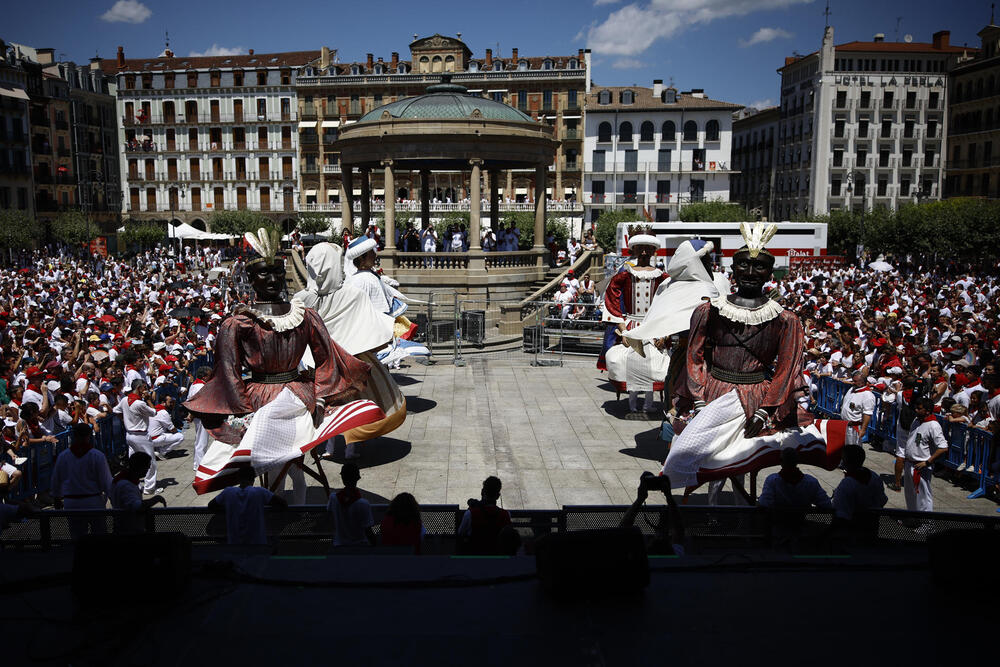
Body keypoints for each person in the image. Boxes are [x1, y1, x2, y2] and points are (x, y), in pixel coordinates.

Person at [185, 228, 383, 501]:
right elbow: (228, 373)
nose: (273, 279)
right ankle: (279, 509)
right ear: (251, 279)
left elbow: (328, 357)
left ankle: (285, 511)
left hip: (298, 398)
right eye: (264, 273)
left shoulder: (305, 316)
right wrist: (242, 415)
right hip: (260, 401)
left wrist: (323, 398)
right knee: (280, 464)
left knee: (290, 465)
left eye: (278, 272)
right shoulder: (238, 323)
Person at [662, 222, 845, 494]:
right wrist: (699, 399)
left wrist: (765, 409)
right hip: (713, 393)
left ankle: (739, 511)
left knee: (744, 463)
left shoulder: (786, 320)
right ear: (733, 269)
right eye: (744, 265)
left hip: (758, 397)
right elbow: (694, 357)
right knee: (691, 456)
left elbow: (787, 369)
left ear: (770, 272)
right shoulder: (708, 311)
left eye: (758, 266)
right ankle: (712, 511)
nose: (750, 272)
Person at [598, 226, 666, 372]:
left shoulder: (662, 278)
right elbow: (612, 303)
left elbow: (669, 307)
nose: (643, 252)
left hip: (653, 327)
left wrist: (665, 334)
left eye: (648, 248)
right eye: (640, 248)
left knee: (656, 365)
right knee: (623, 362)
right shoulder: (624, 275)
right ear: (634, 250)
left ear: (654, 250)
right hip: (630, 327)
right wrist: (623, 331)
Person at [49, 424, 113, 539]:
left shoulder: (64, 456)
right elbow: (106, 481)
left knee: (77, 537)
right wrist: (113, 498)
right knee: (99, 536)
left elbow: (56, 479)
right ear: (89, 436)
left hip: (72, 502)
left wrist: (56, 498)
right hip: (93, 501)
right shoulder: (97, 455)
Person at [208, 465, 287, 546]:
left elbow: (211, 506)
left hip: (234, 546)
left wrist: (229, 509)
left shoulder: (228, 492)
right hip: (258, 546)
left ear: (238, 479)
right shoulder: (261, 492)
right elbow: (283, 504)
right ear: (253, 479)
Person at [894, 397, 948, 512]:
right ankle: (913, 517)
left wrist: (928, 462)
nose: (916, 410)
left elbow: (943, 447)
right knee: (910, 494)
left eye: (919, 409)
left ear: (927, 411)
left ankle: (926, 523)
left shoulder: (933, 425)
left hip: (921, 466)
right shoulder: (916, 421)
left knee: (923, 496)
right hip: (909, 463)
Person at [619, 472, 686, 555]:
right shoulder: (676, 557)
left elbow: (623, 528)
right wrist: (669, 495)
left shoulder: (638, 559)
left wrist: (640, 499)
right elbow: (679, 530)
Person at [118, 380, 161, 495]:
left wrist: (125, 420)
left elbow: (116, 410)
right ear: (140, 388)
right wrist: (148, 399)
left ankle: (135, 484)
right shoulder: (139, 403)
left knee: (133, 461)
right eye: (144, 387)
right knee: (150, 461)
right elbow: (153, 412)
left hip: (129, 434)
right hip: (140, 435)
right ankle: (149, 488)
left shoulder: (124, 400)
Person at [758, 448, 833, 510]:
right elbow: (826, 505)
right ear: (797, 461)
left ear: (781, 461)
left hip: (779, 524)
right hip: (805, 525)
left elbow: (764, 504)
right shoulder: (811, 482)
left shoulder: (772, 481)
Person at [110, 452, 166, 534]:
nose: (147, 471)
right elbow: (137, 506)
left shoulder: (126, 479)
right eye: (146, 468)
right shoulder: (125, 485)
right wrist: (156, 499)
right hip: (128, 530)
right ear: (140, 467)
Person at [832, 445, 887, 524]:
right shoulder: (875, 477)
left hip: (853, 528)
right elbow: (882, 501)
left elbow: (841, 515)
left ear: (845, 461)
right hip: (872, 526)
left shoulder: (847, 484)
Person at [457, 475, 512, 555]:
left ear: (482, 492)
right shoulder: (506, 515)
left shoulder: (470, 514)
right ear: (498, 496)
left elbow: (461, 533)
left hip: (474, 556)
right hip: (496, 558)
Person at [327, 462, 375, 547]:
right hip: (360, 547)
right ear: (357, 478)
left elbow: (331, 520)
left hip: (339, 545)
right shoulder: (363, 504)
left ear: (342, 478)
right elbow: (368, 531)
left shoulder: (333, 498)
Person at [840, 370, 876, 445]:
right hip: (844, 425)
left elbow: (867, 414)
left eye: (855, 381)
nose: (852, 383)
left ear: (862, 382)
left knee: (854, 450)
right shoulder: (852, 389)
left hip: (854, 428)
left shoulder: (867, 395)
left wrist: (863, 430)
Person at [187, 366, 211, 472]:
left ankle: (198, 463)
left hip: (200, 415)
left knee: (200, 441)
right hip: (201, 415)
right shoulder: (199, 386)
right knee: (202, 441)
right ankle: (200, 466)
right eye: (210, 375)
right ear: (205, 376)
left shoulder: (196, 384)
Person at [148, 396, 183, 461]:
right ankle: (161, 452)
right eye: (170, 402)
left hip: (148, 438)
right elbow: (172, 429)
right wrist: (177, 431)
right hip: (155, 439)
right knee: (180, 436)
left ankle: (156, 449)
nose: (172, 404)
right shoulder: (163, 412)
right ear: (163, 403)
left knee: (164, 432)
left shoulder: (152, 409)